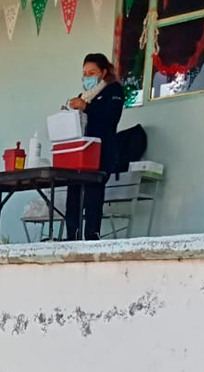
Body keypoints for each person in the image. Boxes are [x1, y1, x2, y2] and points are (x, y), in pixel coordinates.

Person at [64, 52, 125, 241]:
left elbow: (110, 118)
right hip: (79, 154)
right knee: (73, 195)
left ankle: (91, 237)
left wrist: (87, 108)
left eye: (92, 72)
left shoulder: (113, 91)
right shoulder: (83, 96)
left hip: (100, 153)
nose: (87, 77)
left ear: (103, 72)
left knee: (93, 196)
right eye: (85, 73)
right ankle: (72, 237)